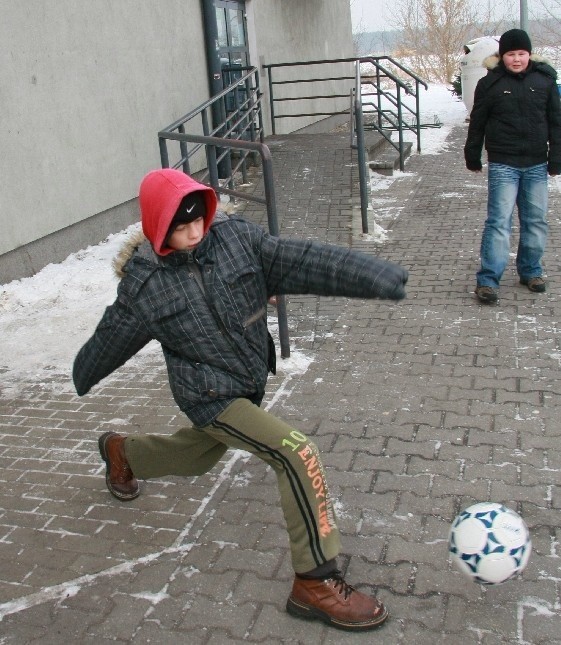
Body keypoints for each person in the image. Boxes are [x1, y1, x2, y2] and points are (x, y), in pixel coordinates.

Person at [73, 168, 408, 631]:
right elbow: (110, 338)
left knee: (196, 458)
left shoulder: (235, 240)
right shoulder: (145, 287)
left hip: (248, 381)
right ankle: (314, 582)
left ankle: (121, 452)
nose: (194, 232)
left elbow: (301, 259)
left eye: (199, 220)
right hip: (208, 394)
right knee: (295, 454)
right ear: (158, 227)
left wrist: (369, 274)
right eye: (181, 225)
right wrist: (83, 372)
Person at [464, 28, 561, 304]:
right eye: (511, 54)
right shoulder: (490, 84)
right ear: (502, 55)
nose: (516, 59)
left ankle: (531, 271)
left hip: (535, 164)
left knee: (535, 221)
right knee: (498, 223)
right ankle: (488, 280)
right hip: (503, 164)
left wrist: (556, 157)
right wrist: (473, 155)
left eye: (521, 53)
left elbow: (556, 122)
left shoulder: (544, 81)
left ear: (529, 54)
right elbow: (478, 122)